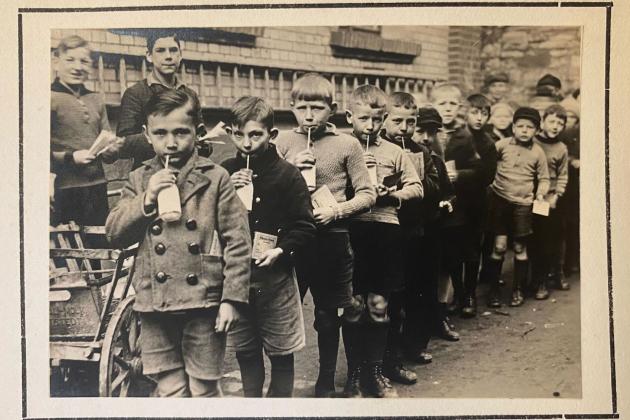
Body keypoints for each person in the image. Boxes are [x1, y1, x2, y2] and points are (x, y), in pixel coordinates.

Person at [105, 89, 251, 397]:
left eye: (181, 132)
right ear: (147, 134)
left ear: (198, 133)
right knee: (169, 387)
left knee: (203, 388)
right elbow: (115, 233)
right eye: (160, 133)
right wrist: (147, 198)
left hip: (204, 301)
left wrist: (232, 299)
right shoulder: (139, 178)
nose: (171, 142)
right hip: (155, 303)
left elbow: (237, 242)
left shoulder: (216, 177)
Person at [274, 73, 376, 397]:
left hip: (331, 238)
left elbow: (368, 193)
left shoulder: (347, 144)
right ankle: (281, 388)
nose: (308, 114)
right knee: (285, 312)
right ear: (291, 107)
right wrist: (288, 165)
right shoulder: (281, 143)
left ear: (331, 110)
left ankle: (326, 381)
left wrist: (337, 211)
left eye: (317, 107)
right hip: (292, 239)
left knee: (328, 315)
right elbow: (267, 191)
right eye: (301, 107)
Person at [221, 96, 316, 397]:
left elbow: (305, 225)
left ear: (271, 135)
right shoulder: (224, 172)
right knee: (246, 352)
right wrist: (227, 191)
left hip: (275, 278)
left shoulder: (288, 175)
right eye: (238, 134)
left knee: (280, 352)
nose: (246, 143)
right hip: (237, 278)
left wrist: (281, 251)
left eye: (255, 135)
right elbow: (212, 220)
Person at [342, 85, 422, 398]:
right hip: (352, 231)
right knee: (353, 305)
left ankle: (375, 373)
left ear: (384, 119)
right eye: (364, 119)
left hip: (385, 231)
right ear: (350, 117)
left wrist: (394, 196)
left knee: (378, 305)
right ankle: (354, 375)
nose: (371, 126)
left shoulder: (394, 152)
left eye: (377, 120)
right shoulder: (344, 148)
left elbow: (416, 186)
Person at [381, 92, 442, 385]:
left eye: (410, 122)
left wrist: (416, 175)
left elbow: (435, 183)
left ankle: (414, 345)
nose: (404, 128)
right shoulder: (378, 148)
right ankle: (386, 357)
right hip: (389, 231)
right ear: (385, 120)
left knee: (419, 292)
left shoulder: (421, 151)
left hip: (418, 230)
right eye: (397, 121)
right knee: (392, 296)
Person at [50, 35, 121, 227]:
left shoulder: (96, 99)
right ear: (56, 62)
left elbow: (108, 151)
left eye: (84, 61)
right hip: (65, 189)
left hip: (97, 187)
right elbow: (35, 153)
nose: (78, 67)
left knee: (99, 244)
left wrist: (112, 150)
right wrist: (71, 157)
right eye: (70, 60)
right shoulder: (48, 98)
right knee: (69, 249)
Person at [403, 106, 456, 363]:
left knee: (425, 287)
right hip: (405, 229)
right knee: (402, 289)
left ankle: (417, 343)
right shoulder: (399, 153)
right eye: (421, 130)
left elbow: (445, 189)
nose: (425, 137)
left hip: (430, 229)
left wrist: (446, 201)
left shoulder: (432, 158)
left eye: (431, 132)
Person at [484, 107, 550, 308]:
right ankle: (493, 291)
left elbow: (544, 178)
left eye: (529, 127)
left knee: (520, 247)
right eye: (520, 126)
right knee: (499, 246)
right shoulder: (501, 145)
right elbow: (488, 167)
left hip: (523, 204)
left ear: (536, 131)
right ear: (513, 127)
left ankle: (517, 290)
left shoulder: (538, 152)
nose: (524, 130)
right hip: (500, 201)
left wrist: (540, 194)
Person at [115, 31, 206, 170]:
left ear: (180, 55)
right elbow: (123, 144)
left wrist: (204, 144)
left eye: (173, 50)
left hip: (187, 172)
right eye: (161, 51)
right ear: (149, 56)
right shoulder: (136, 93)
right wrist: (161, 137)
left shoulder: (190, 95)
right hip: (149, 173)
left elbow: (202, 139)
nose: (168, 56)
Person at [446, 94, 497, 317]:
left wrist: (460, 175)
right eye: (475, 112)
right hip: (456, 202)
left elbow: (487, 175)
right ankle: (458, 293)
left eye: (483, 114)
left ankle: (470, 295)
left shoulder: (488, 142)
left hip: (476, 203)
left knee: (472, 251)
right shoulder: (456, 137)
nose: (479, 118)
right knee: (454, 249)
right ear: (465, 112)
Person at [531, 104, 570, 298]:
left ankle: (553, 275)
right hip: (533, 195)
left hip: (551, 197)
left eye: (560, 123)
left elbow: (562, 175)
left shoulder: (562, 148)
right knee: (536, 239)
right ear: (543, 121)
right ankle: (536, 279)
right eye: (552, 121)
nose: (555, 126)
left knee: (553, 237)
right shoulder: (533, 142)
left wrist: (556, 196)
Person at [559, 92, 580, 275]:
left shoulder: (580, 134)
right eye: (566, 116)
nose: (569, 120)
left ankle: (571, 261)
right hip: (559, 185)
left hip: (575, 185)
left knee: (573, 223)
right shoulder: (559, 134)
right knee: (558, 225)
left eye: (573, 116)